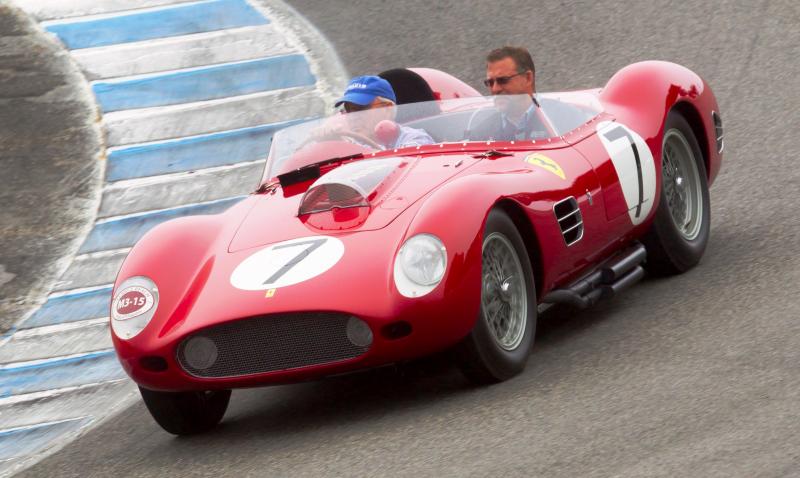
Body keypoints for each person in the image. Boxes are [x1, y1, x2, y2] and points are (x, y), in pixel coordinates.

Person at [468, 46, 553, 141]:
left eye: (503, 80)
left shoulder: (562, 119)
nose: (495, 89)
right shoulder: (481, 133)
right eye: (490, 83)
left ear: (528, 78)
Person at [333, 75, 434, 149]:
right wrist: (330, 143)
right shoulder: (349, 146)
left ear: (387, 108)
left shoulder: (415, 138)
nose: (353, 117)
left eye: (360, 108)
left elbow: (402, 165)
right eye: (348, 110)